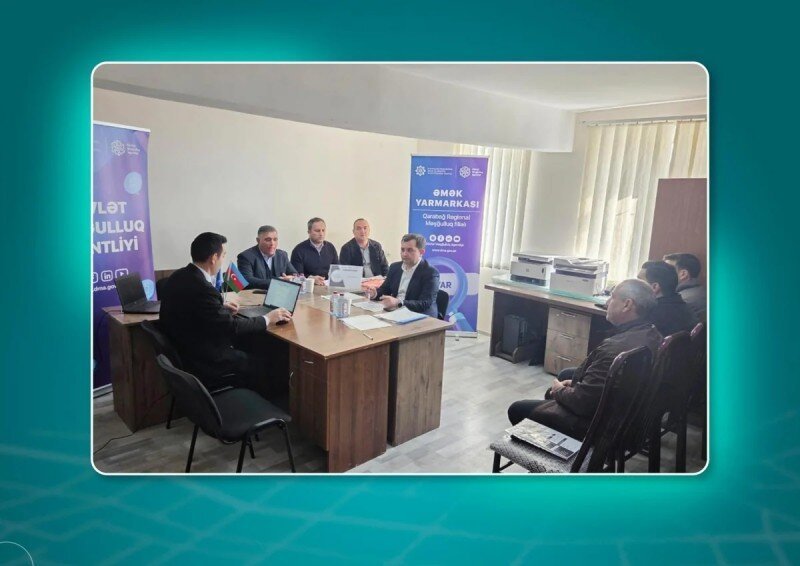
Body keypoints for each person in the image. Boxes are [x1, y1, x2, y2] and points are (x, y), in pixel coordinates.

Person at [507, 279, 662, 440]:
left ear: (627, 305)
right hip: (626, 415)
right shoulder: (653, 334)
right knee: (564, 378)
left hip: (599, 427)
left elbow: (583, 403)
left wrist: (560, 390)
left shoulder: (614, 350)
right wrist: (576, 384)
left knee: (517, 409)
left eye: (612, 297)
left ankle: (552, 450)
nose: (607, 302)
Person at [159, 232, 292, 391]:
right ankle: (267, 398)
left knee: (252, 344)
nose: (223, 260)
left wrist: (220, 308)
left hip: (184, 345)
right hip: (202, 357)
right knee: (260, 358)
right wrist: (268, 318)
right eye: (223, 255)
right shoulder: (204, 289)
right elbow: (231, 327)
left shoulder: (179, 275)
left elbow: (197, 309)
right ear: (214, 258)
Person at [364, 234, 440, 318]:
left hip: (420, 316)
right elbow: (385, 289)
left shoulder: (430, 272)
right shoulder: (394, 267)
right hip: (395, 312)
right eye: (402, 249)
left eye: (410, 250)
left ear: (421, 252)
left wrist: (398, 302)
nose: (404, 254)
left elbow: (424, 303)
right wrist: (375, 293)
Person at [638, 260, 699, 336]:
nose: (634, 285)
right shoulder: (681, 305)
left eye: (639, 281)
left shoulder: (651, 317)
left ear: (654, 287)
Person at [237, 225, 298, 290]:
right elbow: (247, 280)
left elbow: (295, 274)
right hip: (255, 295)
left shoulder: (282, 255)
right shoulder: (246, 257)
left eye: (275, 239)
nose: (272, 243)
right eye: (268, 240)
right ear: (258, 240)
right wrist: (277, 282)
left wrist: (291, 278)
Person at [290, 217, 338, 285]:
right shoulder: (298, 250)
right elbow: (296, 275)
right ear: (309, 232)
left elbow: (337, 270)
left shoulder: (330, 247)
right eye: (317, 231)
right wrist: (310, 279)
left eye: (323, 230)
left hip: (327, 285)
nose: (321, 234)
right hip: (308, 286)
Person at [663, 252, 706, 322]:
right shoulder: (700, 292)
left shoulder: (681, 301)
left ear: (683, 274)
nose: (660, 274)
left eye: (666, 270)